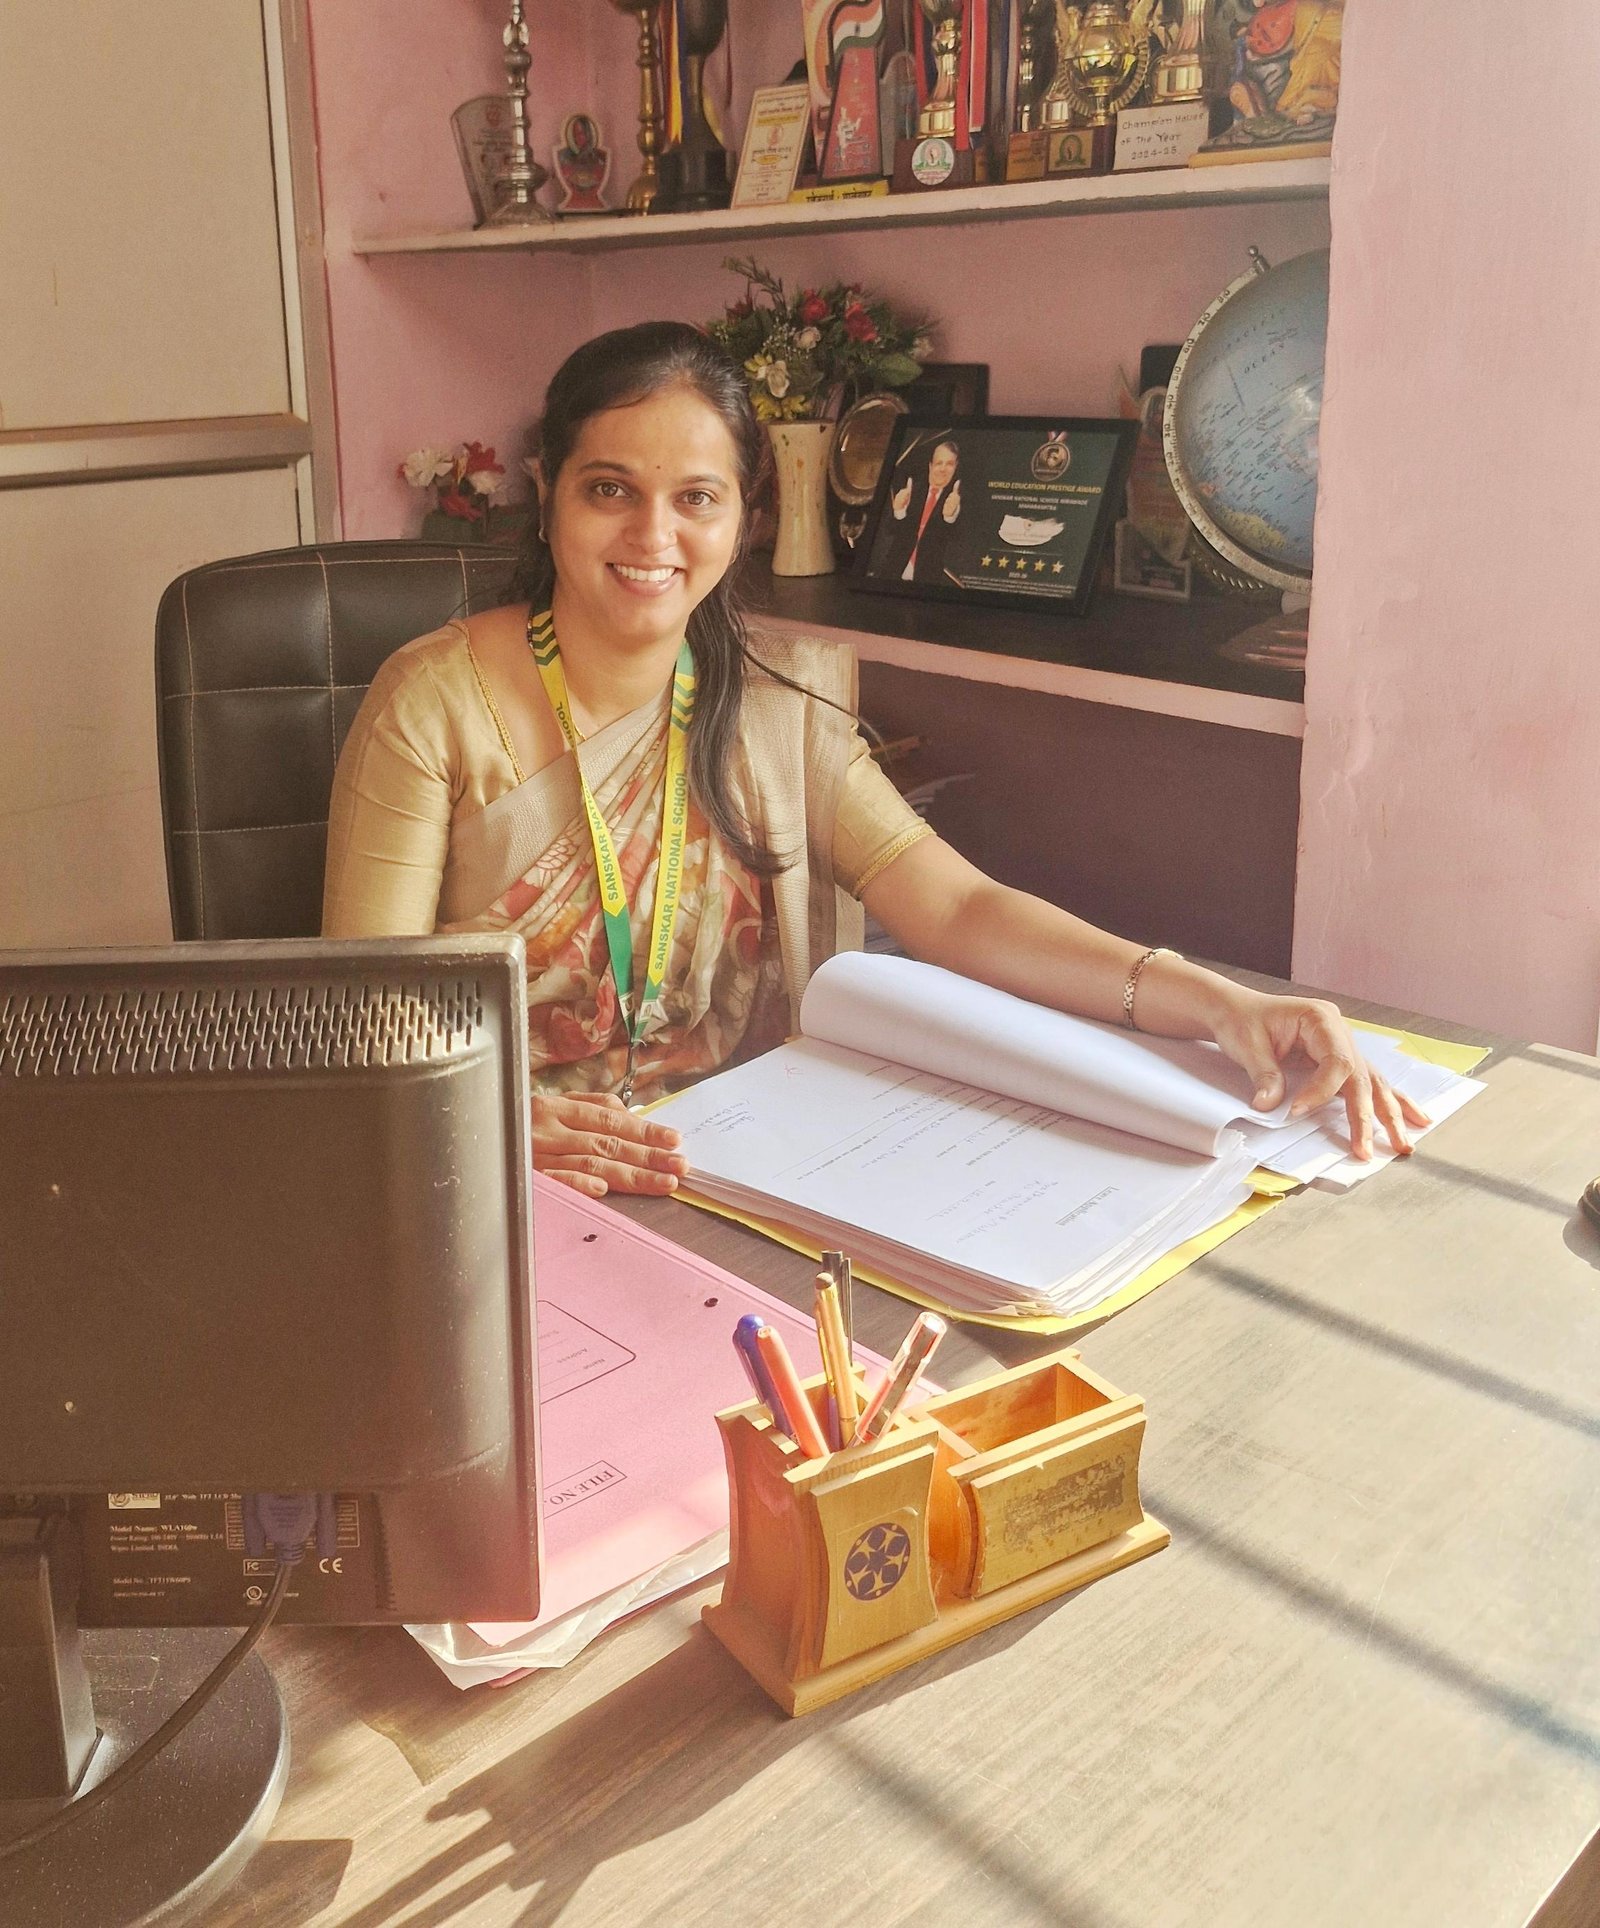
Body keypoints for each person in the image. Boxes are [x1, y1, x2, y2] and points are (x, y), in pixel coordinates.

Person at [324, 320, 1424, 1199]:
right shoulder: (434, 703)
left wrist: (1215, 1001)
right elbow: (355, 1010)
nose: (652, 535)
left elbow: (959, 910)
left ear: (745, 514)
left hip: (735, 1177)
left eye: (695, 498)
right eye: (610, 488)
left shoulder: (768, 715)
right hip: (485, 1177)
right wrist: (489, 1123)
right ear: (547, 488)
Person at [877, 436, 962, 585]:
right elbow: (888, 532)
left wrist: (949, 518)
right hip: (891, 579)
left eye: (949, 464)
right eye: (938, 463)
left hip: (929, 585)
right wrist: (899, 512)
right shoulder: (910, 492)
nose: (942, 469)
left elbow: (956, 542)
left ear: (956, 467)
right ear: (930, 466)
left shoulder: (959, 500)